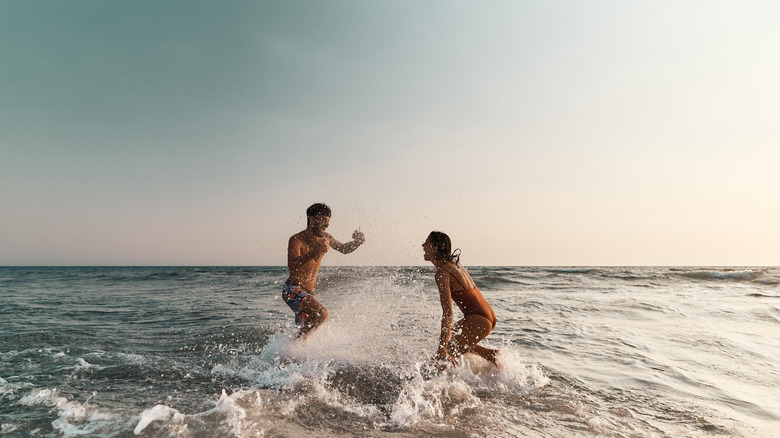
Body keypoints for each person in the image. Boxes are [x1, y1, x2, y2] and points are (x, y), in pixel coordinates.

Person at [283, 203, 365, 339]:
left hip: (309, 293)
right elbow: (293, 265)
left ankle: (292, 354)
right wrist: (315, 251)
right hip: (292, 290)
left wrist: (357, 242)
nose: (326, 227)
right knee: (321, 314)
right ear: (312, 220)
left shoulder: (326, 238)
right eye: (323, 223)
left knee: (305, 330)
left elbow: (344, 248)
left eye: (327, 224)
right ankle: (296, 345)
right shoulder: (297, 239)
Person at [422, 231, 500, 369]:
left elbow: (448, 313)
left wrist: (442, 349)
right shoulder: (455, 265)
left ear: (434, 248)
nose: (422, 245)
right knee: (447, 340)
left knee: (443, 355)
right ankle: (490, 354)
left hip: (479, 320)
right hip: (487, 316)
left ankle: (441, 388)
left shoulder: (442, 273)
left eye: (426, 243)